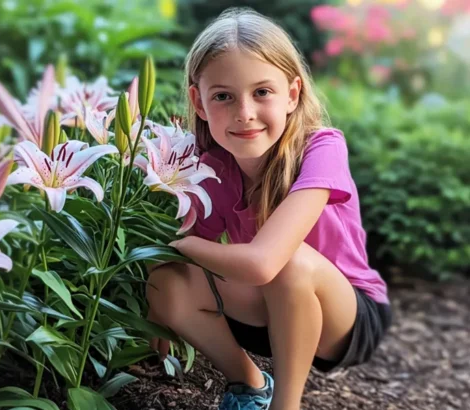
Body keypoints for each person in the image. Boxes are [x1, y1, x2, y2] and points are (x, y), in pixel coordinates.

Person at [145, 7, 392, 410]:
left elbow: (262, 264)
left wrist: (175, 246)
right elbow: (197, 269)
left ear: (292, 94)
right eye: (223, 96)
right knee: (167, 283)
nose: (244, 112)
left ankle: (286, 405)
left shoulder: (322, 148)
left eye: (262, 92)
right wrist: (159, 277)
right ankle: (249, 384)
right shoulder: (212, 167)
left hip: (345, 319)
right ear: (199, 102)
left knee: (287, 262)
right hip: (266, 313)